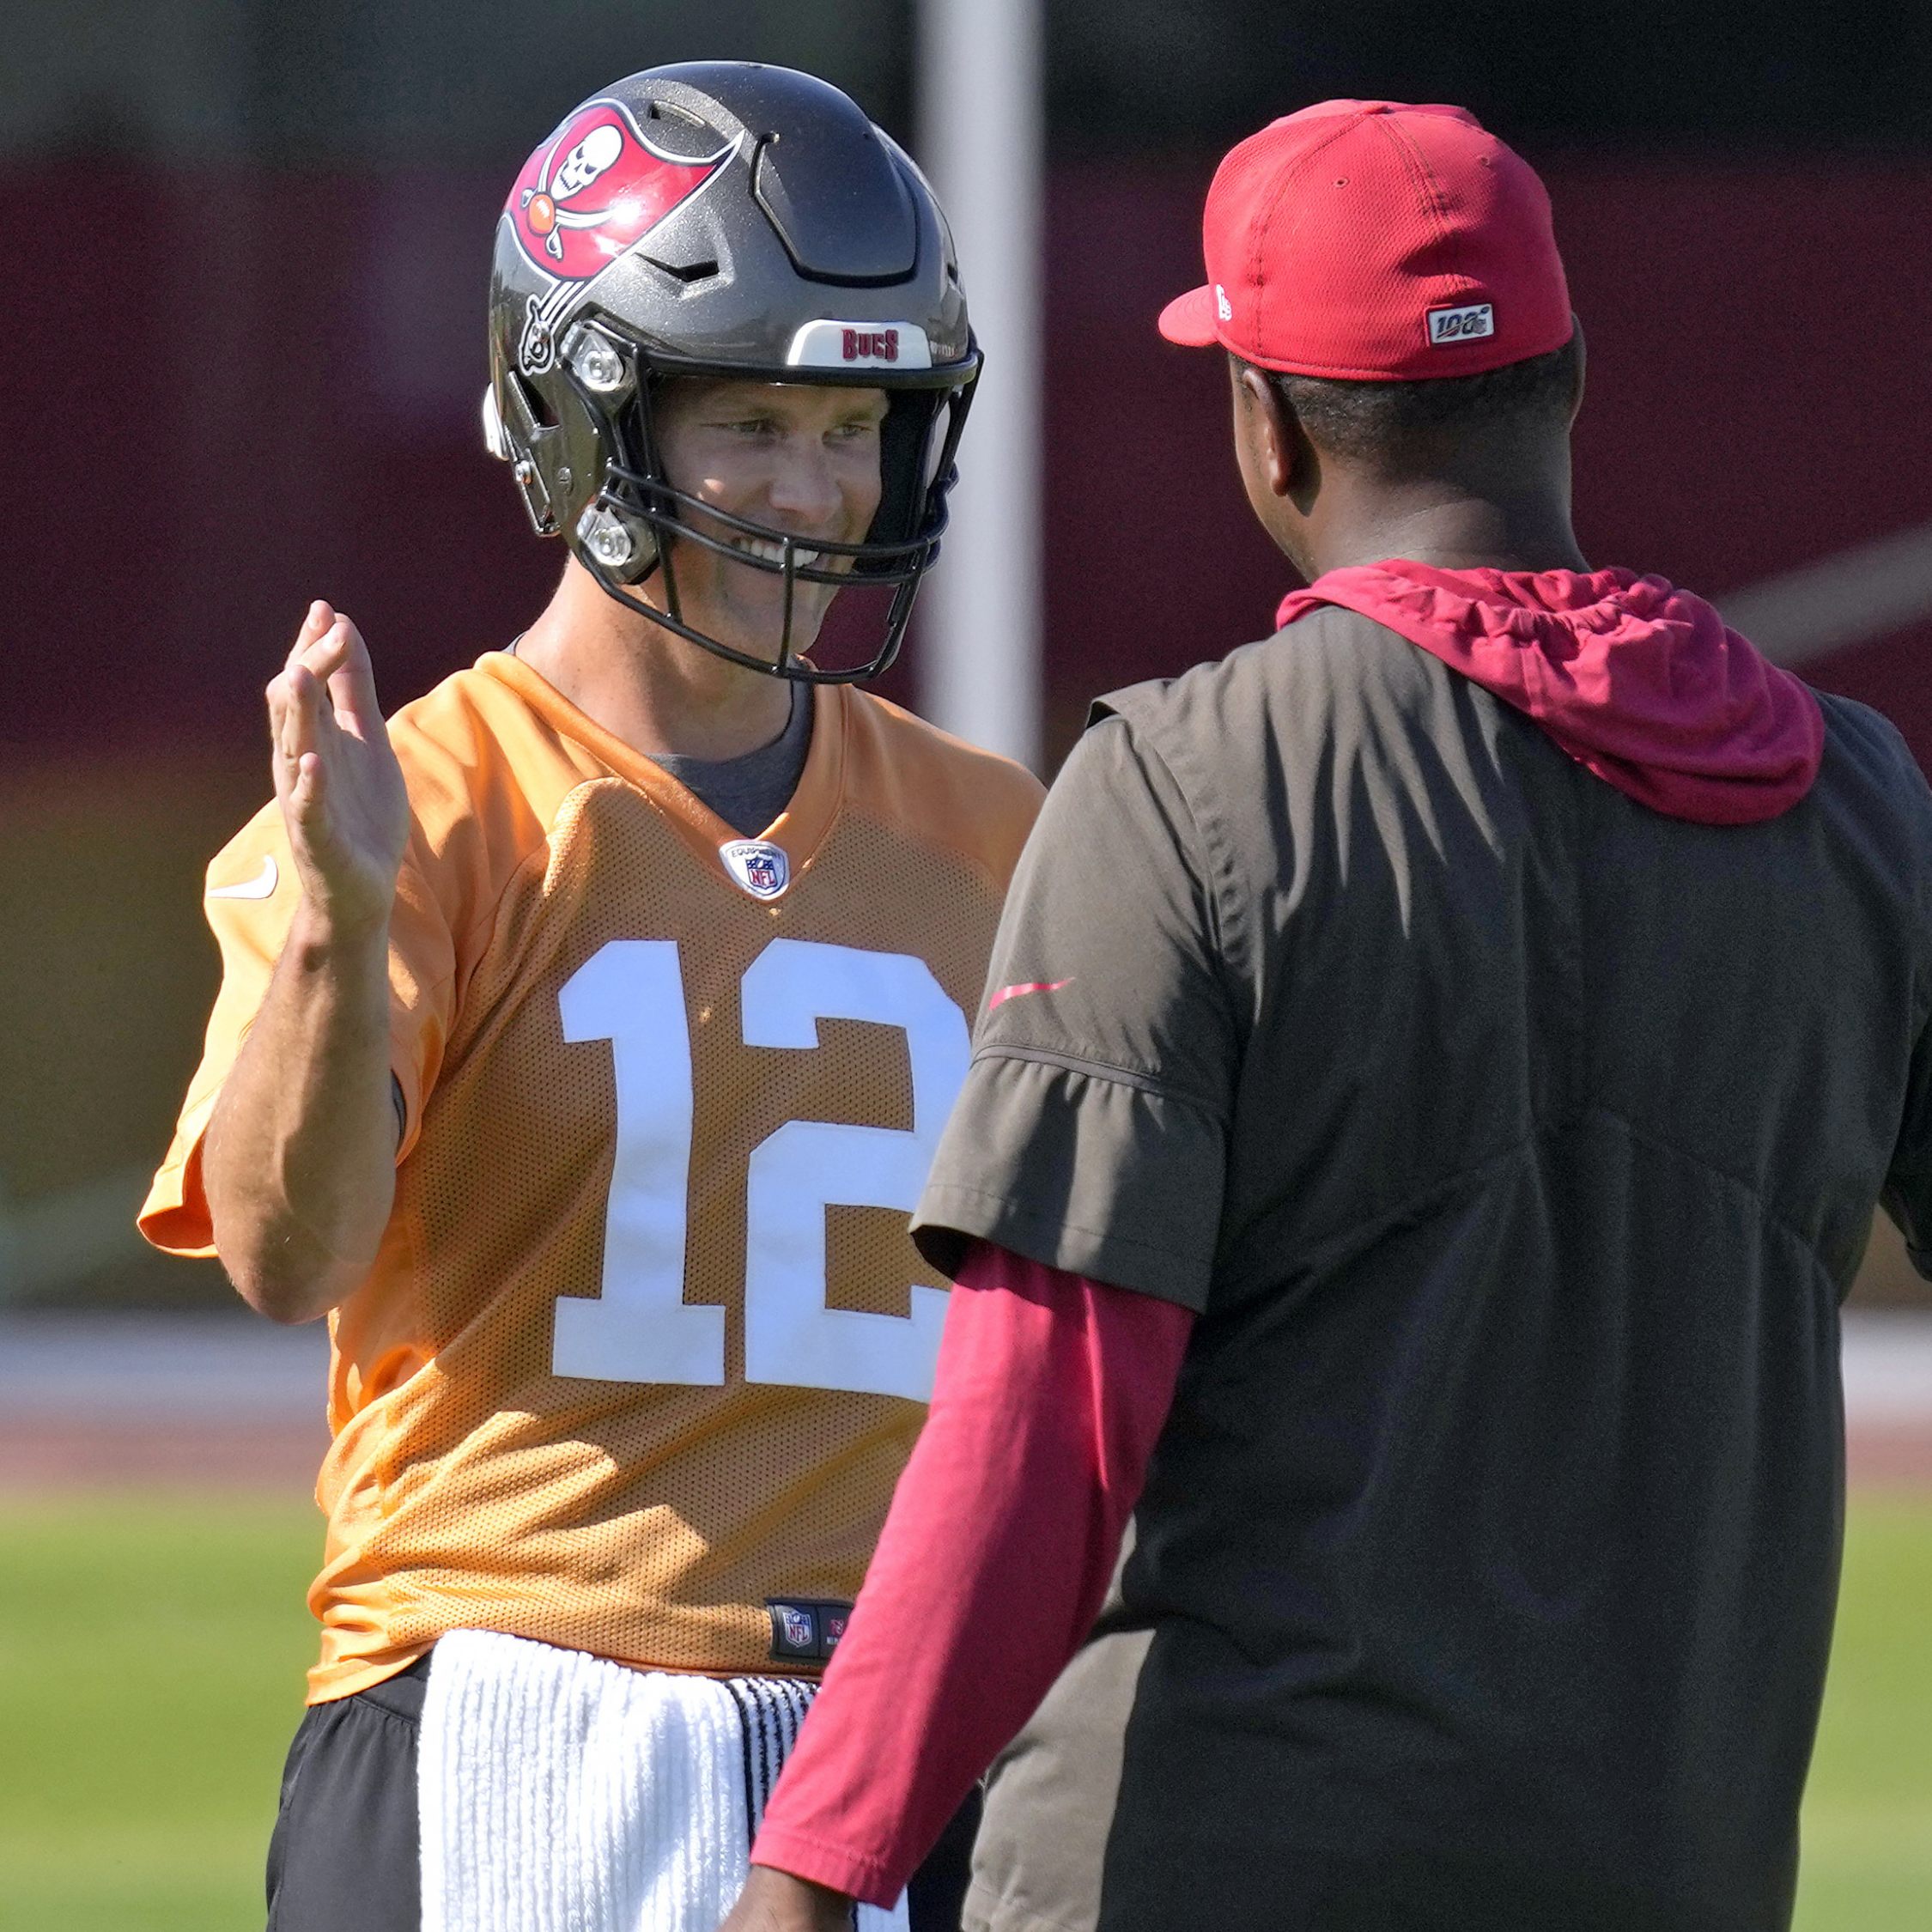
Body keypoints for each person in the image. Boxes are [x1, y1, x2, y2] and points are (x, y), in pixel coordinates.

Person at [722, 99, 1932, 1932]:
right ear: (1572, 380)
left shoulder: (1183, 787)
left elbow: (1043, 1425)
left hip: (1204, 1863)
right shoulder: (1857, 803)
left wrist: (815, 1866)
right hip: (1670, 1873)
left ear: (1263, 422)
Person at [137, 61, 1041, 1932]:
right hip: (509, 1704)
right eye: (750, 426)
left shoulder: (991, 833)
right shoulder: (430, 806)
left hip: (892, 1745)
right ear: (586, 420)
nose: (813, 492)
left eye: (851, 425)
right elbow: (288, 1262)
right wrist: (336, 919)